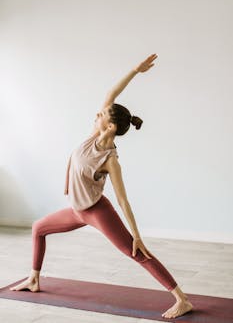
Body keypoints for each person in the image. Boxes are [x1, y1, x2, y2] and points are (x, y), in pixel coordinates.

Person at [10, 53, 193, 319]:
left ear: (109, 126)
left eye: (100, 115)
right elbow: (111, 93)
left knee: (136, 253)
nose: (96, 114)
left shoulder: (110, 160)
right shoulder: (94, 134)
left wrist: (138, 236)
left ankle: (182, 299)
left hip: (97, 211)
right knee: (38, 228)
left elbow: (122, 199)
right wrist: (134, 70)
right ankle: (34, 279)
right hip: (76, 210)